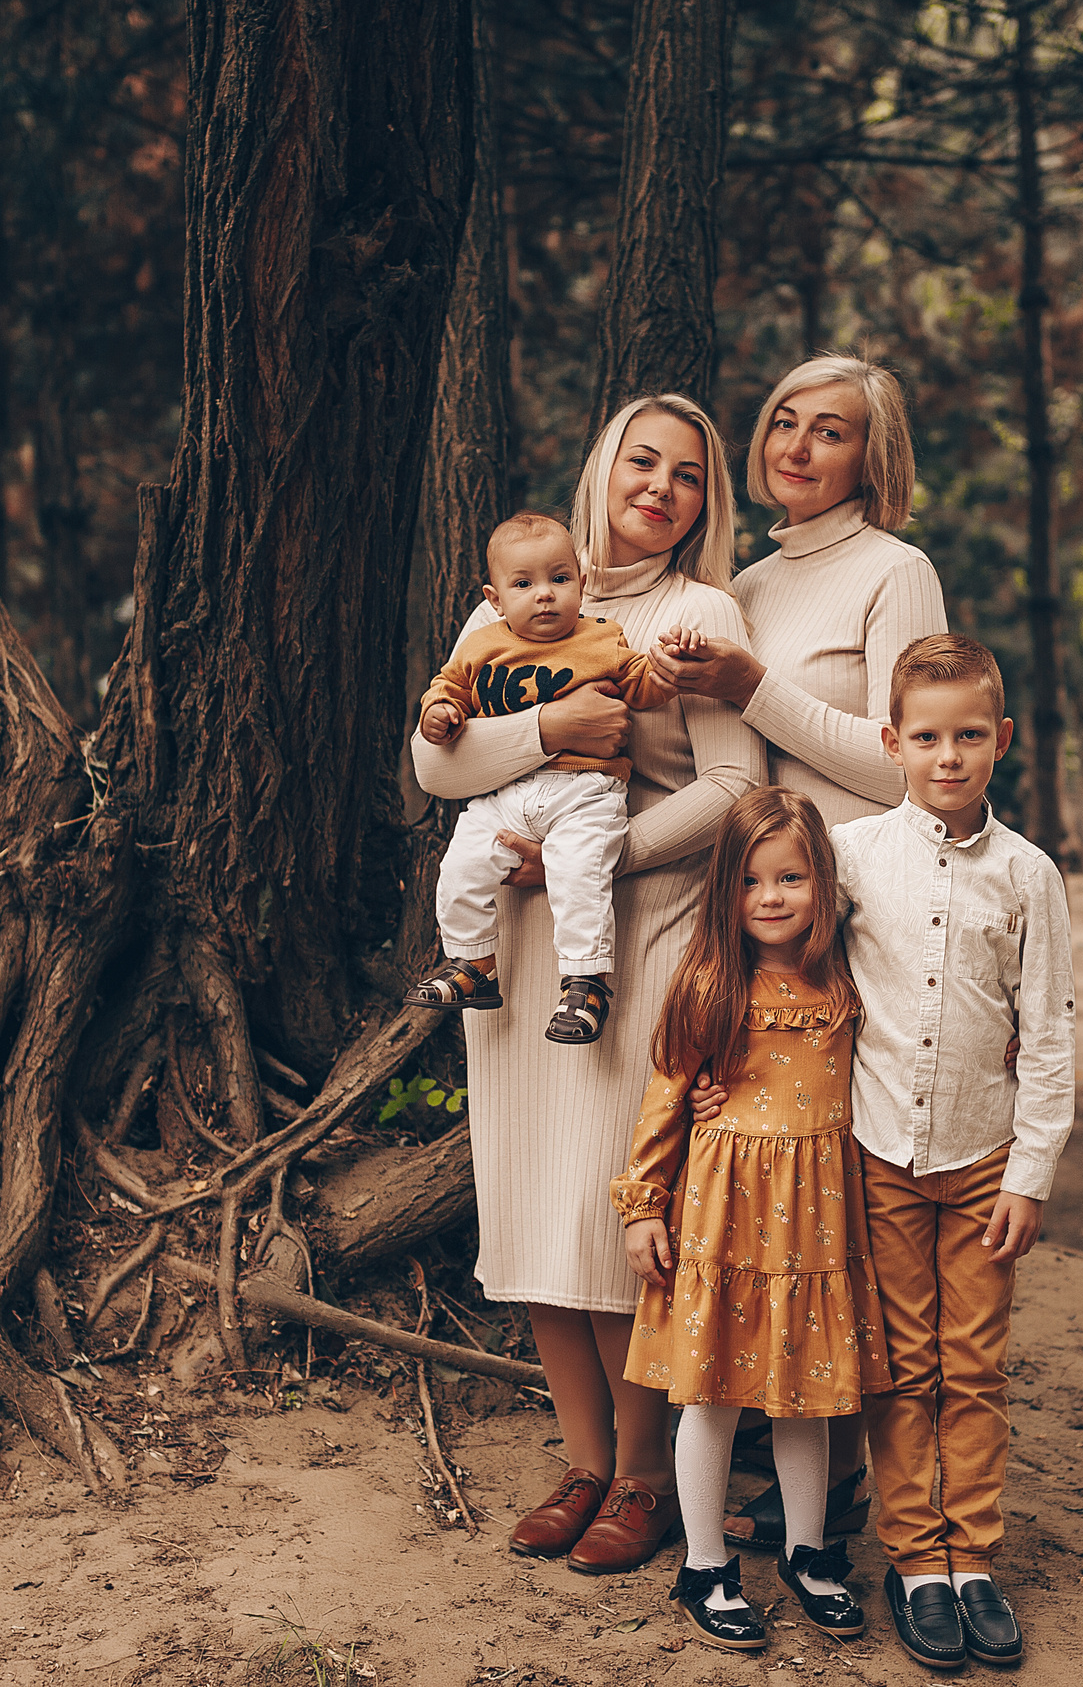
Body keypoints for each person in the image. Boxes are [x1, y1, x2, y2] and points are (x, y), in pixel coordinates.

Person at [408, 395, 762, 1574]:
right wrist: (554, 727)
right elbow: (434, 764)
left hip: (634, 945)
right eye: (640, 461)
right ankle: (582, 1461)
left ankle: (646, 1476)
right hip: (512, 956)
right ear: (602, 470)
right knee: (529, 1214)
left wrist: (598, 857)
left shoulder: (697, 612)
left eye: (687, 474)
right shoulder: (508, 598)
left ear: (704, 503)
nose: (659, 486)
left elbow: (733, 788)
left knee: (616, 1222)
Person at [644, 352, 948, 1556]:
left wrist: (754, 685)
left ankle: (856, 1470)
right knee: (770, 1186)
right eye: (783, 421)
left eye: (831, 430)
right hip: (760, 926)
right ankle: (769, 1441)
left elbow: (902, 761)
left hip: (862, 918)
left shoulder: (894, 571)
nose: (798, 446)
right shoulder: (742, 583)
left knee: (848, 1197)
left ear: (874, 456)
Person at [832, 633, 1075, 1671]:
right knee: (899, 1367)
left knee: (972, 1367)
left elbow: (1049, 1032)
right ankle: (915, 1562)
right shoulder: (850, 855)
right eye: (927, 737)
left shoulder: (1028, 874)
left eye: (969, 735)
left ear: (1001, 739)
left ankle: (971, 1557)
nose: (948, 756)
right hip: (879, 1152)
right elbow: (792, 974)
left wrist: (1031, 1173)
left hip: (982, 1160)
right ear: (892, 742)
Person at [610, 786, 888, 1652]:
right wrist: (642, 1205)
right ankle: (705, 1565)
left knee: (806, 1394)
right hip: (724, 1216)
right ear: (725, 889)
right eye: (751, 880)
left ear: (822, 882)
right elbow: (665, 1098)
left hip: (816, 1224)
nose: (771, 897)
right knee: (714, 1393)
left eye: (791, 878)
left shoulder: (845, 978)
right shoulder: (709, 985)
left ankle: (808, 1552)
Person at [408, 512, 681, 1044]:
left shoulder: (601, 638)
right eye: (524, 584)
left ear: (581, 582)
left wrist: (667, 670)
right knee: (461, 868)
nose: (545, 595)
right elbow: (448, 687)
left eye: (559, 579)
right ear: (495, 599)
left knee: (580, 876)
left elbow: (641, 684)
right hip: (504, 793)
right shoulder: (481, 644)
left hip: (585, 789)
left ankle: (587, 982)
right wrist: (438, 712)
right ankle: (472, 965)